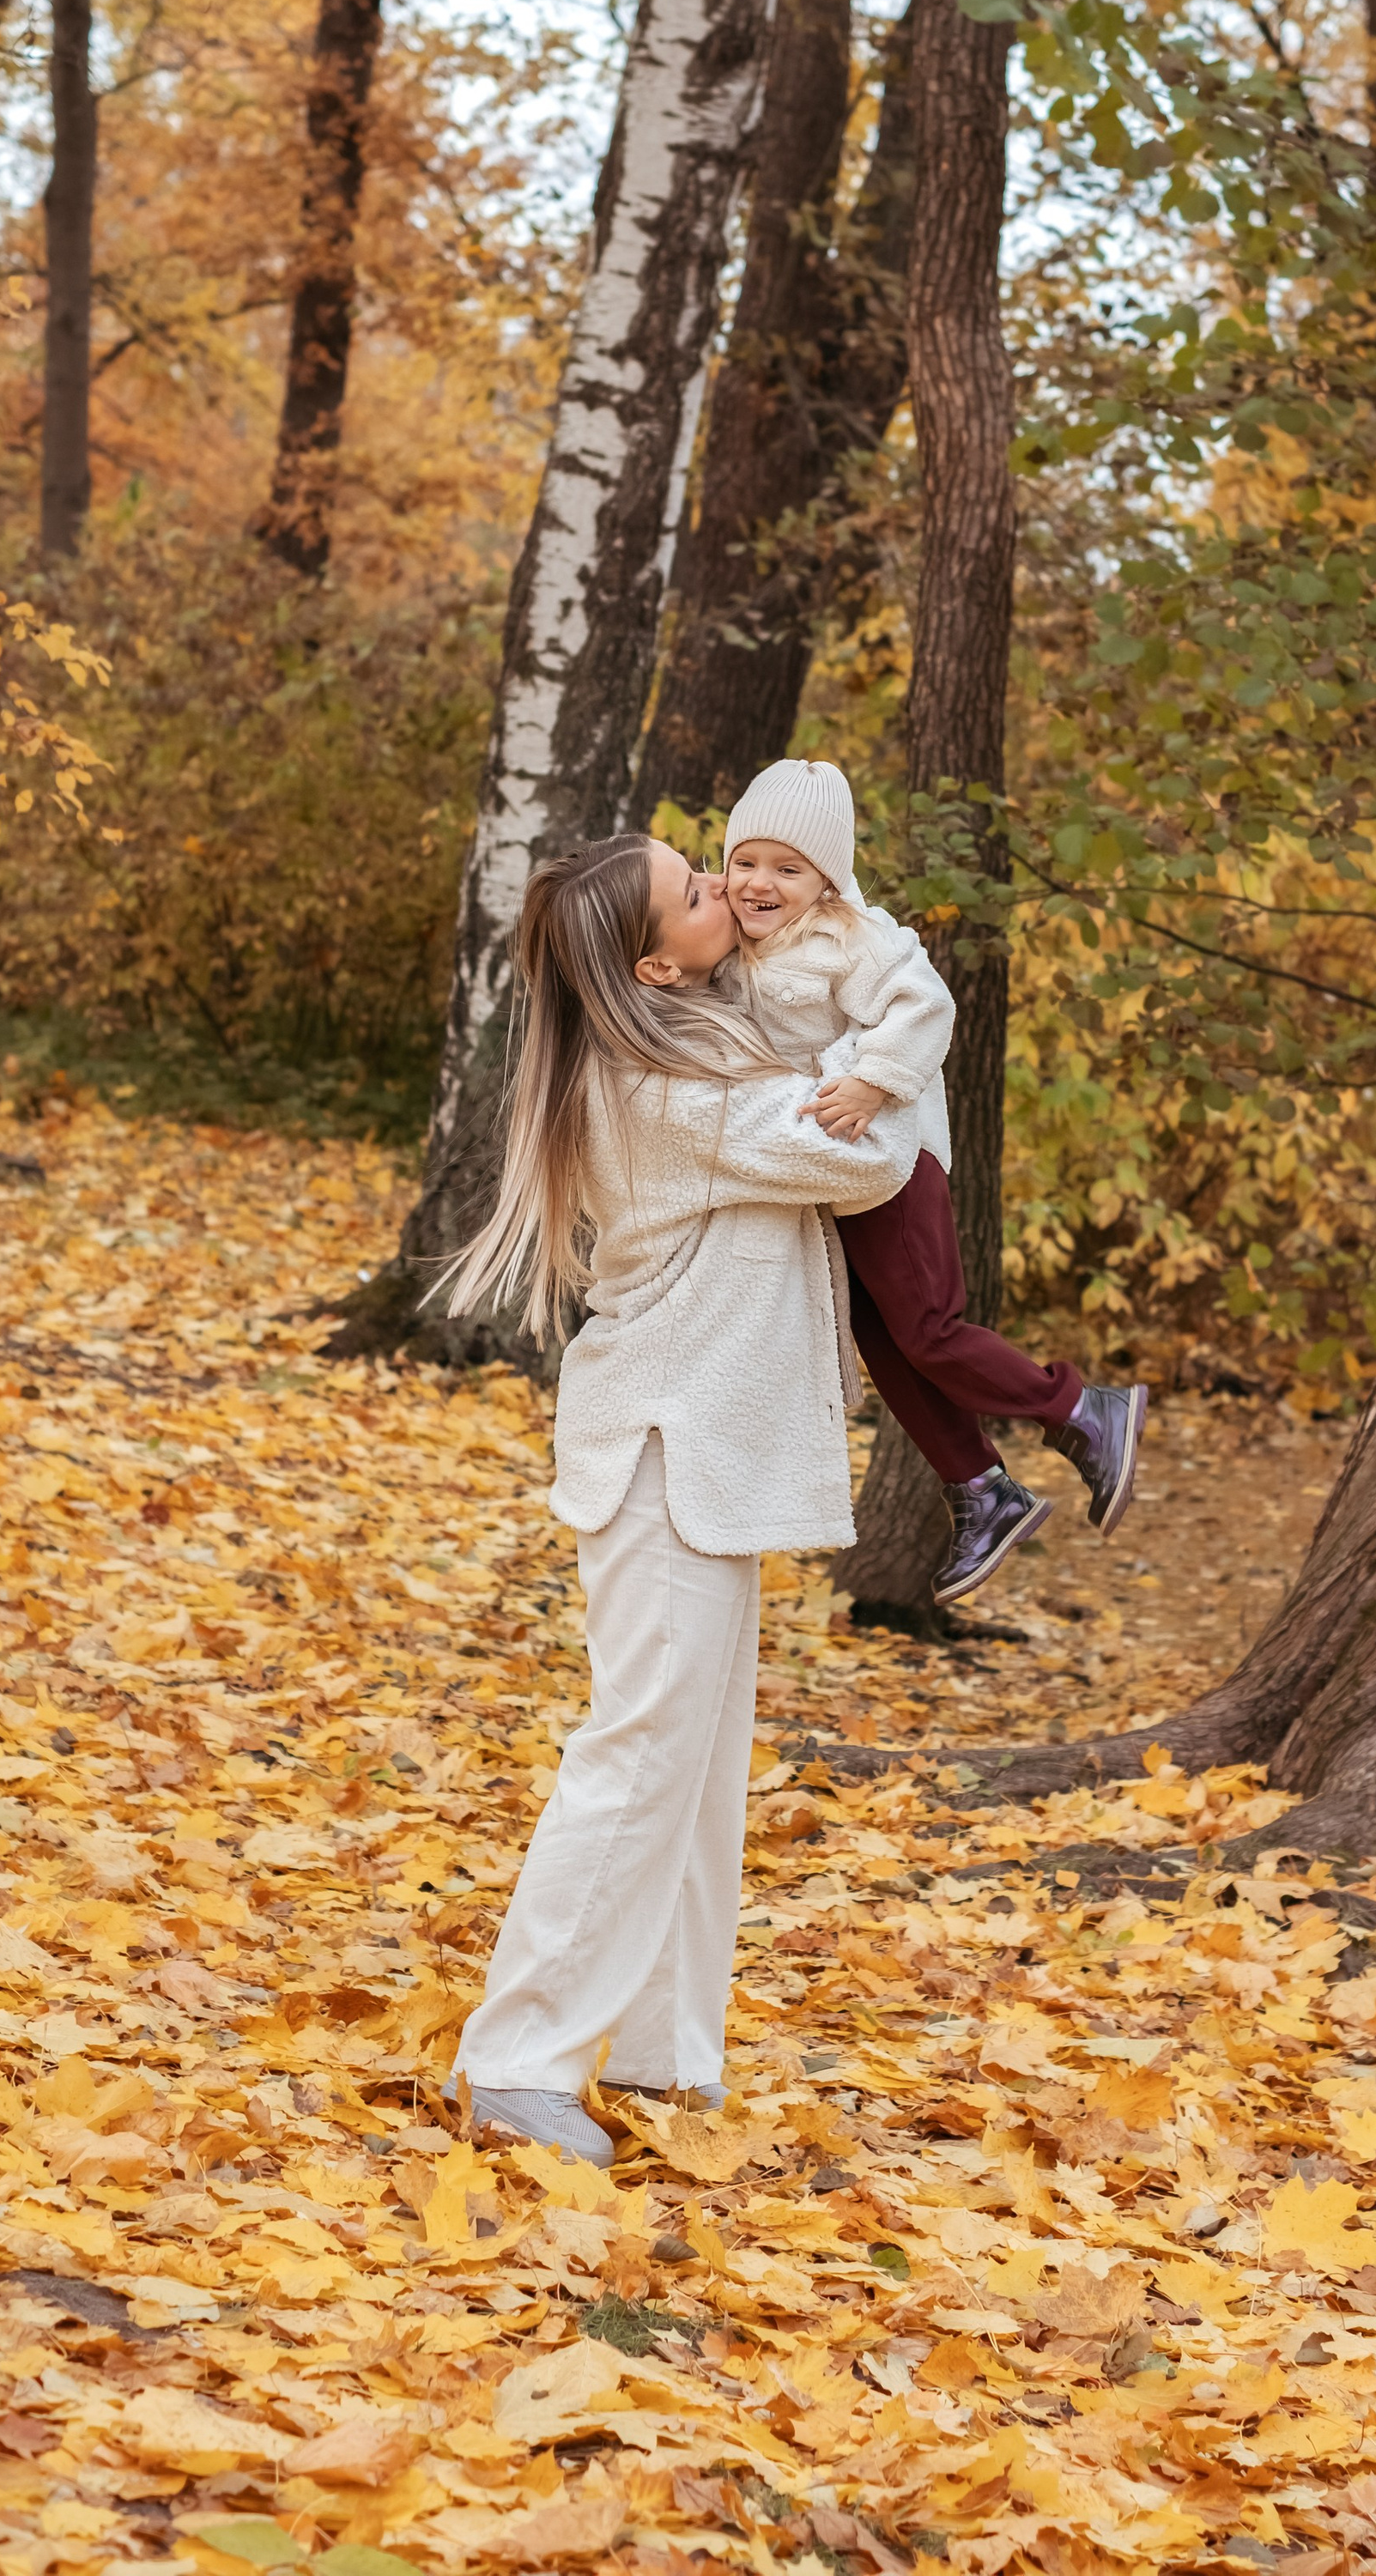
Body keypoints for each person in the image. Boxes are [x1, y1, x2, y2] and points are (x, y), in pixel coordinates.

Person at [439, 828, 924, 2165]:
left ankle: (662, 2054)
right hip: (669, 1453)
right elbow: (872, 1157)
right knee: (644, 1751)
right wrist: (888, 1006)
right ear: (656, 964)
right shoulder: (675, 1093)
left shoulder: (699, 1048)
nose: (726, 889)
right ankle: (514, 2065)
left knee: (697, 1767)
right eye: (697, 891)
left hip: (700, 1455)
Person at [721, 757, 1147, 1604]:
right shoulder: (739, 941)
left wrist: (873, 1079)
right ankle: (982, 1490)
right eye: (745, 862)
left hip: (893, 1164)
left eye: (787, 868)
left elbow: (926, 1006)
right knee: (883, 1340)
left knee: (928, 1329)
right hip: (830, 1181)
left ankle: (1080, 1411)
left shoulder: (854, 935)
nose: (760, 883)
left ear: (827, 879)